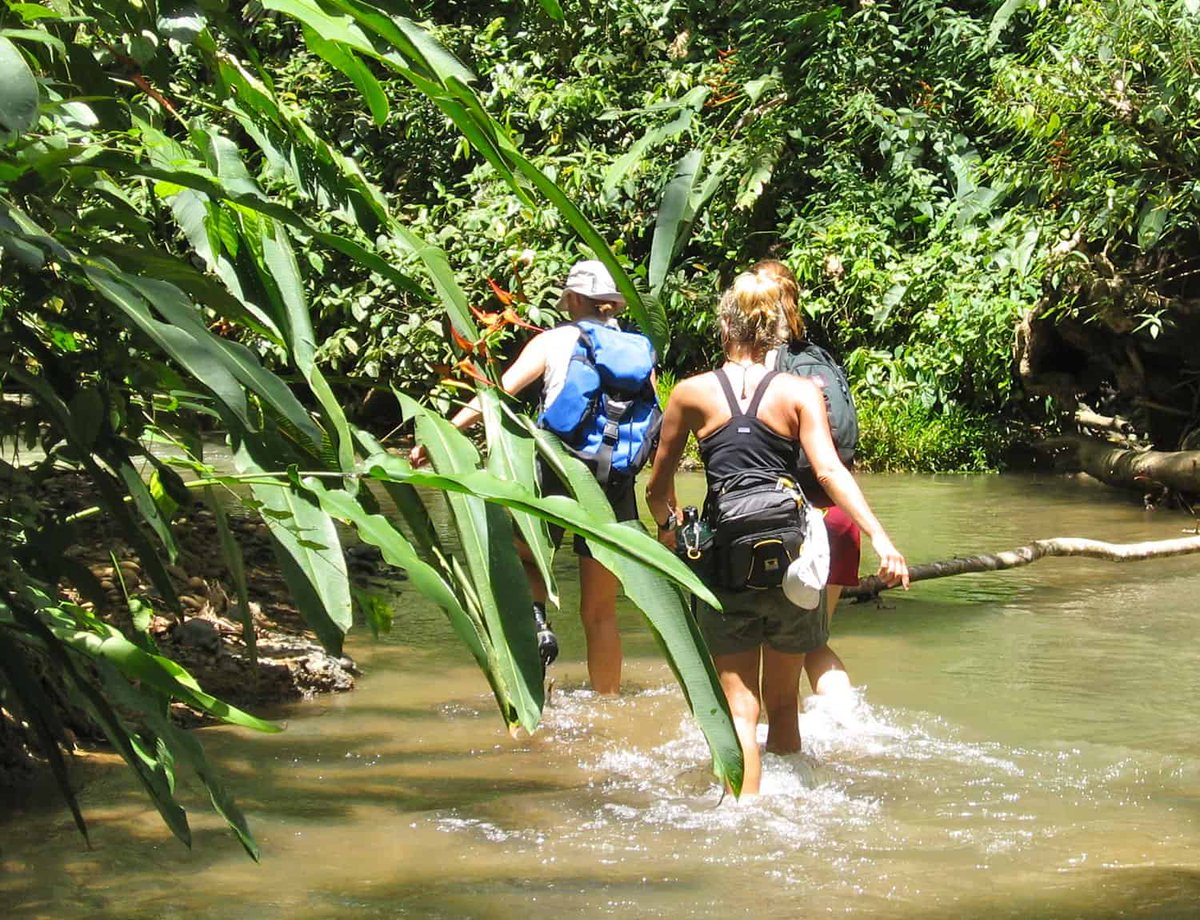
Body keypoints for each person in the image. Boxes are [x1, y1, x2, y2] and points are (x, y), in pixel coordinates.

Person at [645, 269, 908, 795]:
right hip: (794, 560)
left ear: (724, 327)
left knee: (740, 706)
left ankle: (745, 807)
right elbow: (829, 472)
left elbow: (657, 487)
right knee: (784, 701)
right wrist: (881, 538)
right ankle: (796, 799)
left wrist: (670, 528)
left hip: (726, 563)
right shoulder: (799, 391)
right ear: (772, 335)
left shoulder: (692, 393)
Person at [413, 260, 639, 695]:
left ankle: (537, 623)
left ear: (574, 299)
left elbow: (498, 393)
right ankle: (608, 703)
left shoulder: (553, 340)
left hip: (556, 467)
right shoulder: (635, 349)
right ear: (612, 303)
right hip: (613, 479)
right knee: (601, 613)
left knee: (526, 558)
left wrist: (443, 435)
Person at [755, 259, 861, 696]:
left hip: (793, 519)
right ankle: (846, 720)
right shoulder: (820, 358)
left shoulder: (760, 367)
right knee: (813, 641)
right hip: (842, 515)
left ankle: (779, 730)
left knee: (772, 642)